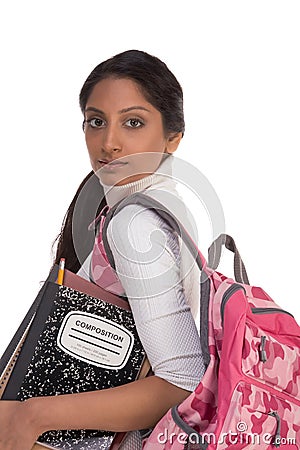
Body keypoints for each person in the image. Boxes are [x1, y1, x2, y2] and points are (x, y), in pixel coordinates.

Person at [0, 49, 205, 450]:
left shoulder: (136, 225)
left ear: (173, 138)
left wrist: (32, 416)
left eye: (133, 122)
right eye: (96, 122)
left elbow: (182, 379)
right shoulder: (160, 205)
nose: (108, 143)